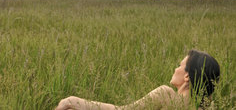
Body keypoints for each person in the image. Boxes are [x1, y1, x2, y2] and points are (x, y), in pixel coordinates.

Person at [55, 49, 220, 110]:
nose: (175, 68)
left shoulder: (166, 95)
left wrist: (72, 100)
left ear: (186, 76)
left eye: (180, 65)